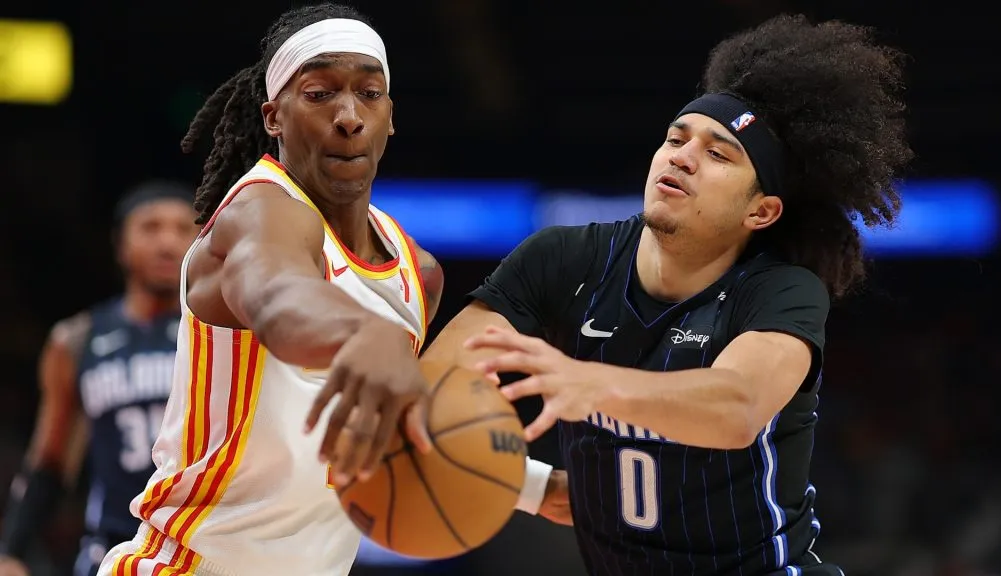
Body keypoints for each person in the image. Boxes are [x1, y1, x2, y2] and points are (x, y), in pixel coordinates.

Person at [423, 14, 912, 576]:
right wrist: (528, 484)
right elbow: (436, 386)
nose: (681, 156)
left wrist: (590, 383)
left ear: (762, 210)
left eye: (718, 154)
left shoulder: (782, 290)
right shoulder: (564, 258)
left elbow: (737, 407)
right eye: (676, 138)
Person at [95, 4, 453, 576]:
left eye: (369, 94)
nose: (348, 116)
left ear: (390, 116)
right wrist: (362, 332)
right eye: (319, 94)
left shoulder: (419, 274)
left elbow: (392, 442)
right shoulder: (257, 209)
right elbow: (279, 297)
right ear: (273, 117)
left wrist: (529, 486)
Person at [0, 183, 198, 576]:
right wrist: (12, 550)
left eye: (182, 229)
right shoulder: (76, 340)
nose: (167, 242)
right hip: (113, 550)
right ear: (121, 246)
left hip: (199, 546)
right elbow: (49, 462)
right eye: (151, 228)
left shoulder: (222, 334)